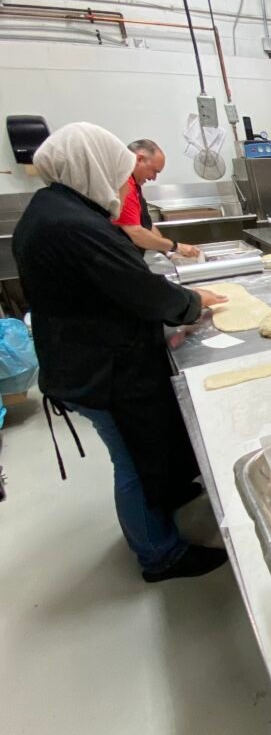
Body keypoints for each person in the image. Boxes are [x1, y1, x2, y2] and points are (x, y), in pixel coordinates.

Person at [13, 122, 230, 582]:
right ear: (91, 166)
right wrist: (192, 303)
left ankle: (165, 498)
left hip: (88, 359)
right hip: (99, 372)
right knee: (132, 462)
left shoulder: (54, 209)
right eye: (116, 171)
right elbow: (135, 288)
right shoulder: (71, 224)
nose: (120, 182)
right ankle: (159, 555)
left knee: (143, 453)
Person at [113, 139, 201, 257]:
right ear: (139, 159)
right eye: (154, 171)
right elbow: (135, 232)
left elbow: (147, 225)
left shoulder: (135, 185)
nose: (153, 178)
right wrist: (176, 246)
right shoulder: (125, 184)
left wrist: (169, 253)